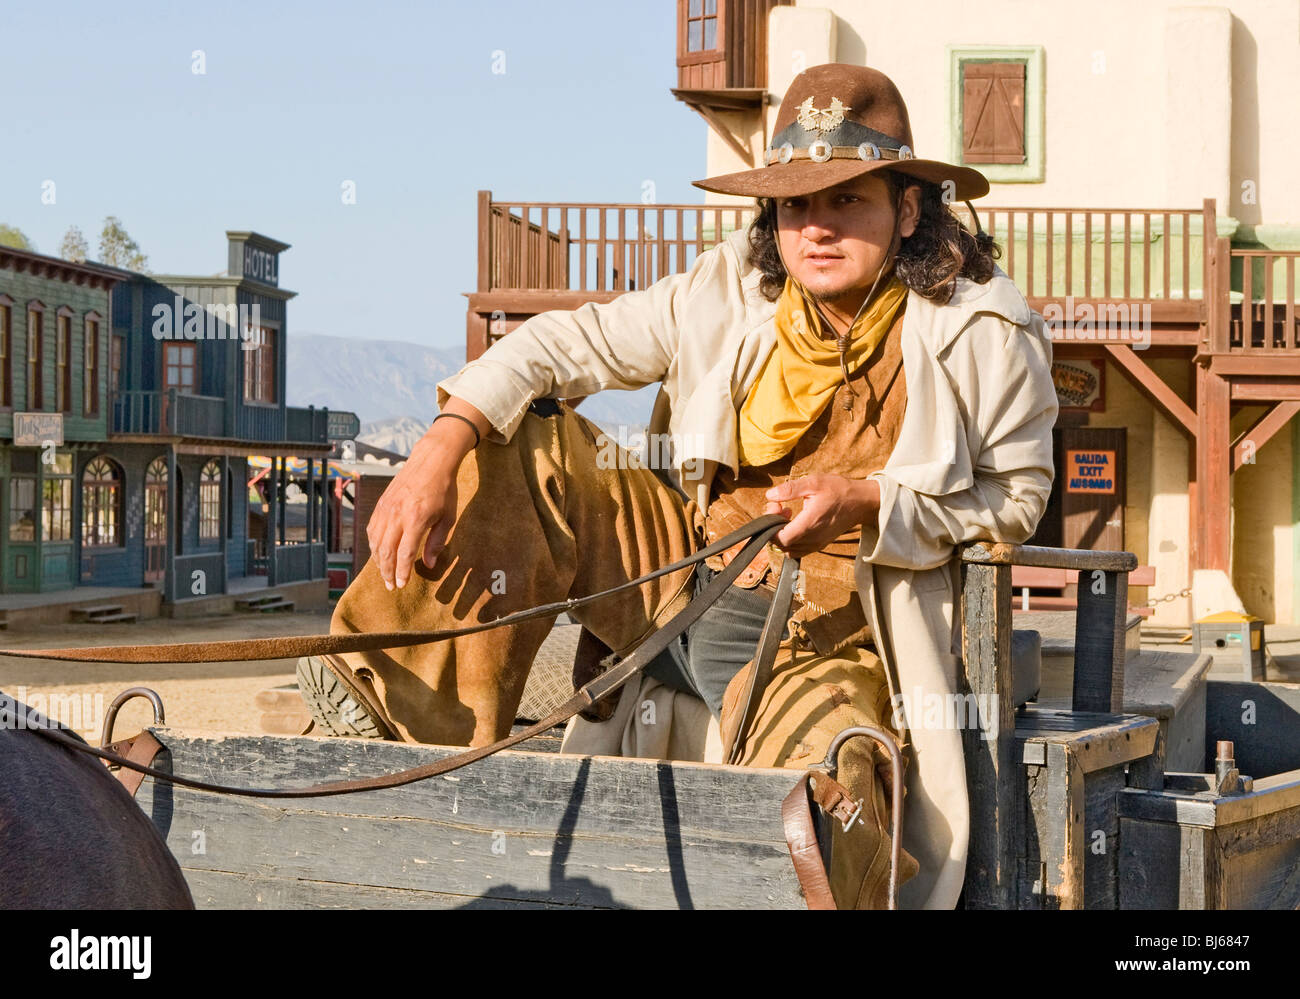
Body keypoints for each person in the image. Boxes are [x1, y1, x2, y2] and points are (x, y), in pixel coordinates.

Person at [301, 63, 1058, 909]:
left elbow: (1018, 497)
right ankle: (403, 740)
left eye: (848, 199)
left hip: (838, 628)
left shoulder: (984, 325)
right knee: (527, 434)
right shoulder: (729, 287)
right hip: (679, 579)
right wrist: (443, 441)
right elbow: (563, 344)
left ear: (907, 207)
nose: (817, 227)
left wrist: (873, 500)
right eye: (795, 203)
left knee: (825, 790)